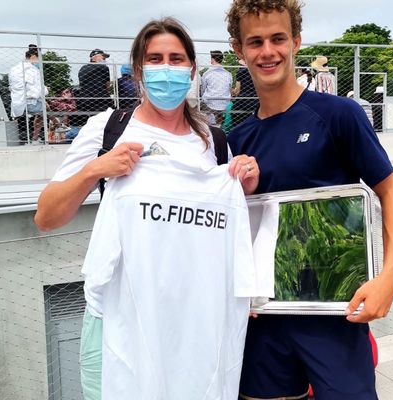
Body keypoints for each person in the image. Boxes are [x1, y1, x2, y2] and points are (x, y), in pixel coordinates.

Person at [35, 17, 262, 400]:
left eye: (176, 59)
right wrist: (96, 169)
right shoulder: (107, 128)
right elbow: (46, 217)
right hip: (119, 318)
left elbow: (237, 227)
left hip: (195, 322)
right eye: (155, 59)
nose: (166, 68)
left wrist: (245, 185)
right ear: (138, 69)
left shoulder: (215, 141)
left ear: (192, 69)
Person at [225, 1, 393, 399]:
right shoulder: (236, 140)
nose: (268, 51)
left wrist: (388, 276)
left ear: (296, 42)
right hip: (262, 320)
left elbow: (391, 193)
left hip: (333, 315)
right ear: (239, 50)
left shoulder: (339, 114)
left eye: (278, 38)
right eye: (255, 42)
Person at [8, 46, 46, 144]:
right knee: (45, 109)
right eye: (39, 58)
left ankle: (58, 125)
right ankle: (35, 138)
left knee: (45, 105)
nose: (39, 61)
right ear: (33, 56)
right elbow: (37, 90)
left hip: (17, 102)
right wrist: (45, 91)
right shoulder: (32, 70)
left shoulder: (14, 69)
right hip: (29, 102)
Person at [77, 48, 112, 123]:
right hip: (100, 100)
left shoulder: (82, 69)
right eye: (103, 57)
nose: (104, 59)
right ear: (95, 56)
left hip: (85, 101)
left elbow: (81, 85)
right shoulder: (104, 67)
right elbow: (108, 86)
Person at [201, 49, 232, 126]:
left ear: (212, 59)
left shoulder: (207, 73)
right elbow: (229, 89)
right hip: (224, 103)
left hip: (210, 102)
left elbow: (203, 90)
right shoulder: (228, 74)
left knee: (201, 104)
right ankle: (219, 126)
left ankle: (209, 126)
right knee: (219, 110)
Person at [231, 58, 258, 128]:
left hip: (243, 99)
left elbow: (237, 90)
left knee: (235, 113)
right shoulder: (256, 70)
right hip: (256, 99)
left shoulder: (241, 71)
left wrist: (232, 91)